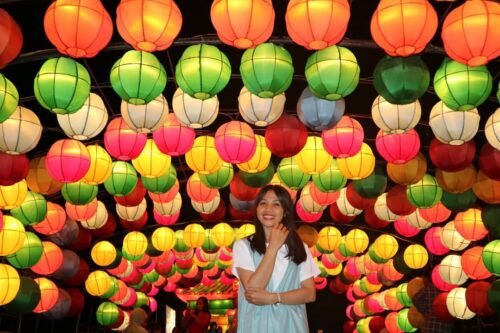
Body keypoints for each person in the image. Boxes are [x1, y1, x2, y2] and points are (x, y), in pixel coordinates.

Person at [232, 185, 321, 332]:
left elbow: (309, 293)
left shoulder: (300, 247)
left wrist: (275, 297)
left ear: (285, 211)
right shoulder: (243, 246)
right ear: (257, 209)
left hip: (292, 326)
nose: (268, 209)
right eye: (263, 203)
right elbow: (253, 290)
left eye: (276, 204)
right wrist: (273, 246)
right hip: (256, 326)